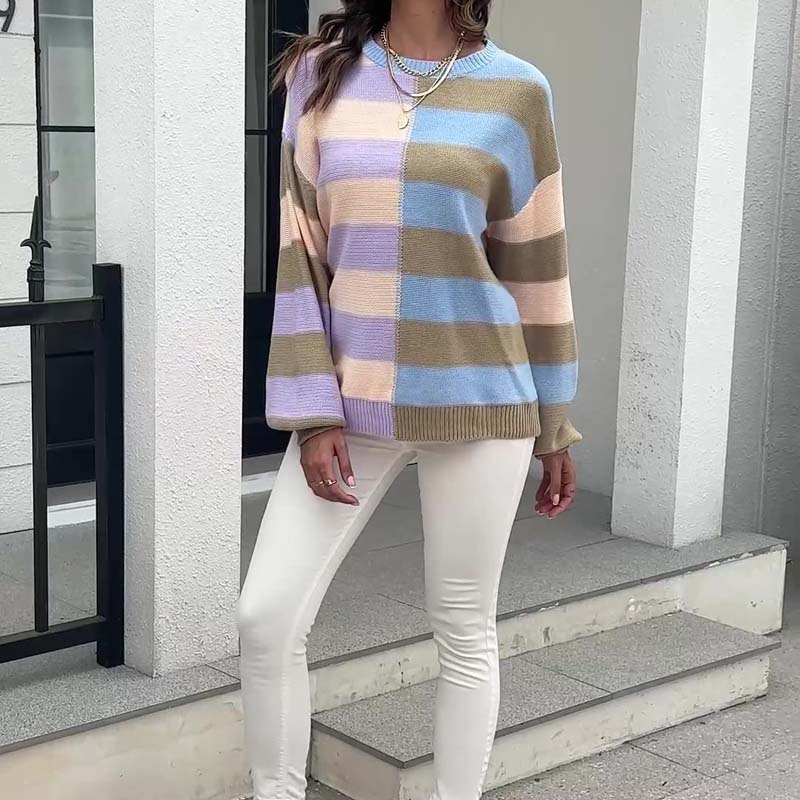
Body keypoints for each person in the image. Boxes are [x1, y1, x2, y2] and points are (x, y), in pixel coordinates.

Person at [235, 1, 582, 798]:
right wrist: (312, 411)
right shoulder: (320, 75)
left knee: (463, 628)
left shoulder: (517, 91)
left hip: (483, 399)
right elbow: (300, 253)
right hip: (350, 405)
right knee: (265, 616)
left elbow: (537, 266)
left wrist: (555, 422)